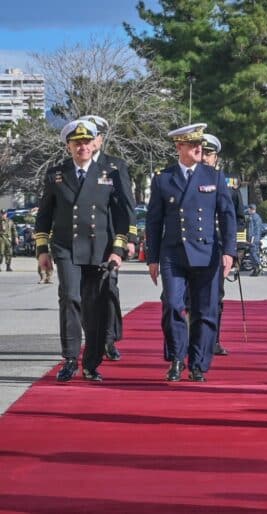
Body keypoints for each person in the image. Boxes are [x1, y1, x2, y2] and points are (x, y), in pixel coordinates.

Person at [34, 119, 132, 382]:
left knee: (96, 306)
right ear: (69, 147)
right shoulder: (56, 175)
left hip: (99, 250)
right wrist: (42, 250)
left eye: (87, 142)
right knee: (70, 298)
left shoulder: (109, 173)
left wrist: (118, 249)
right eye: (77, 143)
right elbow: (44, 215)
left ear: (94, 144)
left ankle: (91, 362)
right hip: (66, 247)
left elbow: (123, 215)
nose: (82, 148)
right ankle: (69, 359)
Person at [145, 123, 236, 382]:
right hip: (173, 253)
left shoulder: (213, 176)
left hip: (207, 252)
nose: (199, 149)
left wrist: (229, 251)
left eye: (200, 145)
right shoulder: (164, 177)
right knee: (172, 306)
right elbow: (153, 221)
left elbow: (227, 215)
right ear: (179, 147)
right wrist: (152, 258)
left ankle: (198, 363)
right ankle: (176, 358)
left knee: (205, 311)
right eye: (193, 144)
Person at [78, 114, 137, 361]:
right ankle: (93, 338)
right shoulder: (76, 164)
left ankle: (109, 339)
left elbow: (127, 205)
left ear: (100, 140)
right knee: (85, 294)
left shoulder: (115, 166)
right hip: (81, 243)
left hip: (109, 240)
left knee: (108, 290)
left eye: (95, 136)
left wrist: (129, 239)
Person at [202, 133, 244, 356]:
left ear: (216, 157)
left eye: (209, 154)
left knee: (215, 296)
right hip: (194, 245)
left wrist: (234, 250)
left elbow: (238, 219)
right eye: (202, 153)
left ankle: (214, 339)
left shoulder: (228, 185)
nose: (204, 158)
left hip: (218, 247)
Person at [246, 203, 263, 276]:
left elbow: (251, 229)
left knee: (253, 254)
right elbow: (261, 229)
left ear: (251, 209)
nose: (248, 210)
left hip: (253, 239)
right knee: (254, 254)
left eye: (249, 209)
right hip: (257, 238)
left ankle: (259, 268)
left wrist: (251, 239)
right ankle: (256, 270)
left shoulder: (252, 217)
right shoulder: (258, 217)